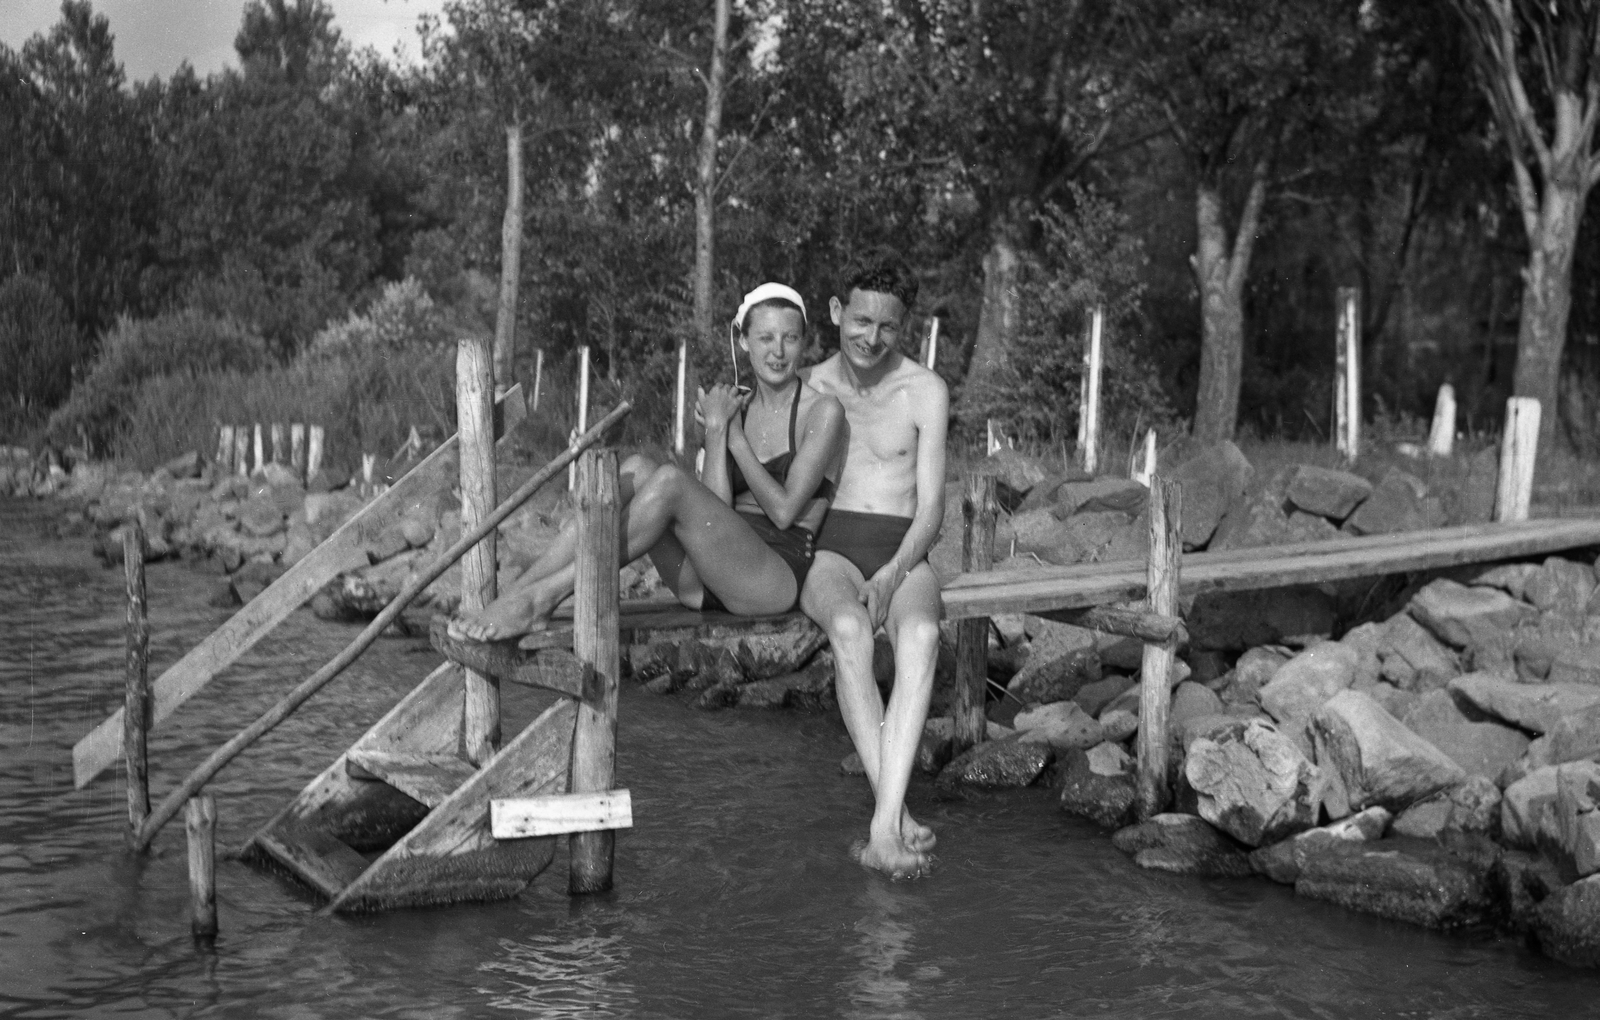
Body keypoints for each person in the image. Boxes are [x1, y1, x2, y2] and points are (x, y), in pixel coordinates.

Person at [449, 284, 844, 642]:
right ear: (743, 342)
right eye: (766, 338)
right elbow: (717, 508)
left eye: (790, 338)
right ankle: (520, 592)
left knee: (671, 481)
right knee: (637, 468)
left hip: (772, 580)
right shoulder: (733, 404)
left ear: (804, 343)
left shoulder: (822, 410)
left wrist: (733, 436)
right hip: (710, 580)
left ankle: (542, 599)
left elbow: (783, 510)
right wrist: (717, 431)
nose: (778, 351)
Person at [800, 247, 947, 880]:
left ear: (903, 324)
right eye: (861, 321)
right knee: (851, 631)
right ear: (837, 312)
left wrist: (894, 572)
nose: (872, 337)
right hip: (830, 550)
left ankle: (883, 826)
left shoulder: (925, 390)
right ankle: (894, 819)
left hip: (903, 550)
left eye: (887, 325)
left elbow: (934, 507)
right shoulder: (812, 385)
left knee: (920, 633)